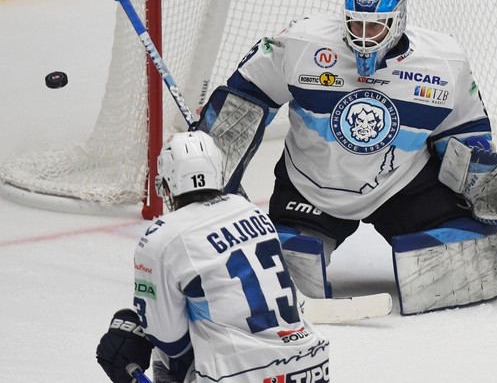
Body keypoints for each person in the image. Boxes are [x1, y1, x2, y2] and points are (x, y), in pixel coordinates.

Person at [196, 0, 497, 315]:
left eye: (375, 28)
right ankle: (295, 240)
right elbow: (243, 102)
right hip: (312, 188)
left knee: (452, 256)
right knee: (290, 263)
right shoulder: (298, 43)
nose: (363, 38)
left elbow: (461, 134)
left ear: (397, 23)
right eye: (356, 26)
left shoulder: (443, 60)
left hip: (402, 185)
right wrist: (208, 168)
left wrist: (482, 175)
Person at [95, 131, 329, 383]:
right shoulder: (252, 211)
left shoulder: (162, 238)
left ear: (166, 185)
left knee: (150, 347)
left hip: (242, 374)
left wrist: (135, 328)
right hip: (309, 365)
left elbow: (170, 341)